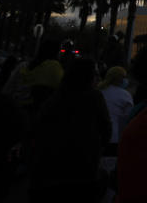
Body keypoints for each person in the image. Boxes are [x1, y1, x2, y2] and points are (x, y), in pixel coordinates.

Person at [30, 57, 111, 202]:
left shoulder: (54, 99)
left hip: (47, 174)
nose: (98, 78)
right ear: (88, 76)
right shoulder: (94, 97)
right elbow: (106, 130)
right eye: (96, 74)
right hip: (81, 174)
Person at [98, 66, 133, 149]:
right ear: (119, 78)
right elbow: (128, 117)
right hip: (114, 137)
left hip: (97, 136)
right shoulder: (125, 95)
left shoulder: (99, 90)